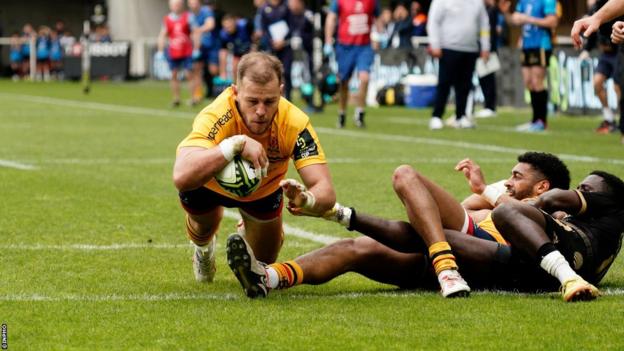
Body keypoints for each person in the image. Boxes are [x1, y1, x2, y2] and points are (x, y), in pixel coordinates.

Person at [226, 152, 572, 298]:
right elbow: (441, 214)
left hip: (489, 256)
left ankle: (444, 265)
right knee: (356, 250)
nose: (508, 181)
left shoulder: (551, 208)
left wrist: (486, 191)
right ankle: (268, 278)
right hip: (451, 251)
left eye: (517, 176)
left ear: (542, 186)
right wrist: (483, 195)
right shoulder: (497, 198)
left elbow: (540, 232)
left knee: (406, 175)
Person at [172, 52, 336, 287]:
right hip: (209, 185)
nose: (260, 110)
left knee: (263, 260)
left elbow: (326, 191)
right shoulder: (217, 114)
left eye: (269, 101)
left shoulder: (295, 123)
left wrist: (306, 199)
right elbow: (181, 175)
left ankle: (246, 231)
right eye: (252, 101)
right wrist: (234, 145)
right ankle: (203, 249)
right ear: (236, 92)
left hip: (263, 191)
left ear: (281, 92)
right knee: (203, 225)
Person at [492, 170, 624, 301]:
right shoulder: (587, 220)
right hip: (541, 268)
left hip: (573, 259)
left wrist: (528, 208)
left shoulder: (612, 206)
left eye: (585, 189)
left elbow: (551, 198)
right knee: (470, 245)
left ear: (605, 197)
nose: (578, 192)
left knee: (504, 210)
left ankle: (569, 278)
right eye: (577, 188)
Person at [427, 0, 490, 130]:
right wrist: (435, 44)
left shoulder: (477, 2)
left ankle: (460, 116)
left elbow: (484, 24)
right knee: (444, 83)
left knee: (465, 85)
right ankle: (437, 116)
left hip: (470, 48)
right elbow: (433, 21)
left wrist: (485, 46)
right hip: (448, 47)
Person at [500, 0, 558, 132]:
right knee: (528, 82)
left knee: (537, 81)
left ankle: (541, 121)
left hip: (541, 44)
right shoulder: (523, 2)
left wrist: (528, 19)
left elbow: (552, 21)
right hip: (527, 45)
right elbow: (515, 21)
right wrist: (506, 13)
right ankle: (534, 120)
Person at [324, 0, 380, 128]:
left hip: (364, 46)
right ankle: (342, 113)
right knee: (344, 82)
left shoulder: (371, 1)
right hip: (345, 47)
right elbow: (331, 18)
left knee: (365, 77)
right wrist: (328, 40)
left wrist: (379, 35)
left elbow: (377, 19)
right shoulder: (340, 1)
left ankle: (360, 113)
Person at [580, 0, 621, 134]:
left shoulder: (615, 6)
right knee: (597, 82)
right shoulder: (595, 9)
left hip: (618, 52)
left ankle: (622, 120)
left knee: (618, 87)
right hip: (605, 54)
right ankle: (609, 118)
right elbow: (592, 32)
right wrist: (586, 50)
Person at [157, 0, 197, 107]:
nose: (176, 7)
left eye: (178, 4)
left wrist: (197, 48)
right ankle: (176, 99)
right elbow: (162, 35)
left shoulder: (188, 17)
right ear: (170, 6)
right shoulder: (167, 19)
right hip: (173, 51)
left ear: (182, 6)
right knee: (174, 75)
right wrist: (160, 51)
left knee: (189, 74)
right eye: (174, 5)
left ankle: (193, 98)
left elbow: (194, 32)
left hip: (186, 50)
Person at [258, 0, 294, 100]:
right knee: (272, 72)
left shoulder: (286, 7)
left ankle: (288, 98)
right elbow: (264, 29)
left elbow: (292, 25)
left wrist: (283, 40)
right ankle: (273, 97)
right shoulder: (264, 8)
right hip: (272, 46)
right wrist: (271, 41)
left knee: (286, 72)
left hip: (285, 46)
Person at [474, 0, 502, 119]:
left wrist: (487, 49)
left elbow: (490, 31)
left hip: (488, 50)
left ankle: (490, 107)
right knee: (483, 78)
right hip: (483, 48)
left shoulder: (492, 10)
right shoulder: (486, 10)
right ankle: (488, 106)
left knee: (488, 78)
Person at [188, 0, 220, 102]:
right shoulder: (190, 16)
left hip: (211, 46)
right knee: (197, 70)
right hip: (199, 47)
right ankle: (198, 95)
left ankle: (219, 93)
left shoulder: (206, 11)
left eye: (195, 2)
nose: (193, 5)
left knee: (213, 70)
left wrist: (199, 30)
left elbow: (210, 25)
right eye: (191, 3)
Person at [219, 14, 253, 82]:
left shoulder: (245, 25)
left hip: (250, 52)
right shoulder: (223, 34)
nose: (228, 28)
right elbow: (223, 52)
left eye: (230, 25)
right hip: (237, 53)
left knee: (251, 70)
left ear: (235, 22)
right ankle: (237, 88)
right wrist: (222, 73)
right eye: (226, 27)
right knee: (235, 69)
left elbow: (256, 32)